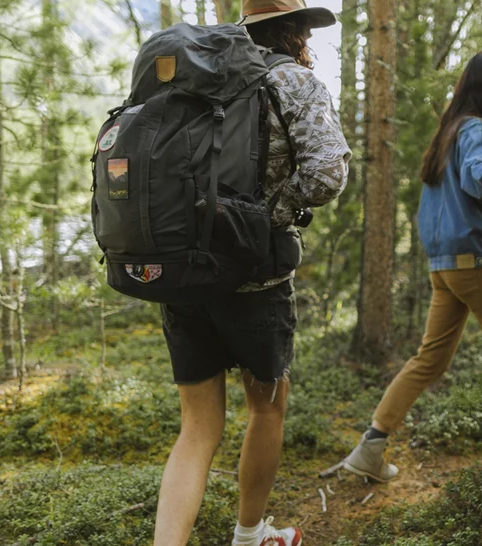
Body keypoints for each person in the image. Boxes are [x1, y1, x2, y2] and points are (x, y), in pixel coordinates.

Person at [152, 2, 350, 546]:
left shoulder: (195, 78)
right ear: (297, 28)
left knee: (197, 427)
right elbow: (328, 174)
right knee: (267, 407)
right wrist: (269, 216)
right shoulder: (291, 80)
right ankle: (250, 534)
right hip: (255, 279)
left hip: (184, 271)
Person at [342, 50, 482, 483]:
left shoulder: (450, 130)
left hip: (446, 266)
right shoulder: (473, 128)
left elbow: (472, 176)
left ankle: (370, 446)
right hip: (476, 262)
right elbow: (480, 179)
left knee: (429, 360)